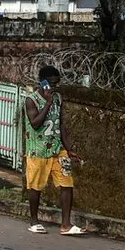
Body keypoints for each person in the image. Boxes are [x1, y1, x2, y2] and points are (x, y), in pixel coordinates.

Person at [24, 66, 85, 235]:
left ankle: (66, 224)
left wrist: (69, 148)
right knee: (35, 187)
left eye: (57, 83)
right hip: (38, 150)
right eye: (51, 83)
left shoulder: (58, 97)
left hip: (58, 150)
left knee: (67, 183)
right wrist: (48, 104)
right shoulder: (31, 100)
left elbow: (61, 124)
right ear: (42, 82)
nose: (54, 87)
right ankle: (34, 221)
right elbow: (35, 123)